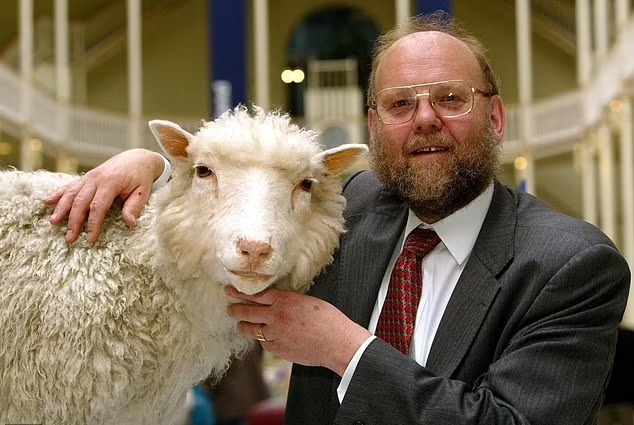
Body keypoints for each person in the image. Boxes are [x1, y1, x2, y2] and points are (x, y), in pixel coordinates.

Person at [44, 12, 630, 425]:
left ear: (495, 117)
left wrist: (346, 350)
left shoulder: (571, 266)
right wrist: (152, 166)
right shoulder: (346, 204)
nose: (425, 118)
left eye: (451, 98)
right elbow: (242, 201)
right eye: (401, 104)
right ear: (374, 127)